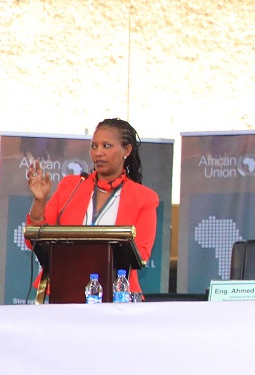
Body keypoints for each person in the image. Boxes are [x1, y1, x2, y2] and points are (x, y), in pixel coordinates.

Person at [24, 118, 159, 296]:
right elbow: (34, 239)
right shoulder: (71, 186)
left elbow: (140, 254)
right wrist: (39, 202)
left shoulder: (144, 198)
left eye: (106, 146)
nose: (98, 153)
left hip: (117, 295)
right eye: (94, 146)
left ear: (126, 150)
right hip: (65, 290)